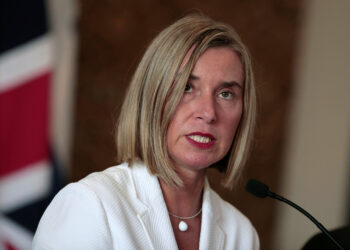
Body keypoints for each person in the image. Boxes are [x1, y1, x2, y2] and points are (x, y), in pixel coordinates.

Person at [32, 13, 259, 250]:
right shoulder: (91, 205)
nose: (208, 113)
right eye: (187, 87)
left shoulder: (241, 234)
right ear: (151, 97)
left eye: (226, 94)